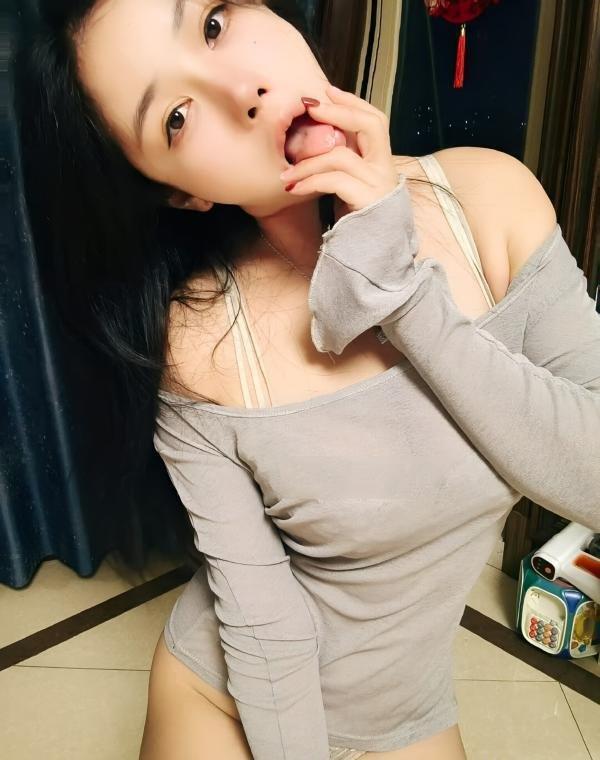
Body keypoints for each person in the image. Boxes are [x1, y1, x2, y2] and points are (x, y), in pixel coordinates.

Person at [14, 1, 600, 759]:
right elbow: (264, 622)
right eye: (176, 118)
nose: (242, 92)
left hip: (410, 705)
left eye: (214, 23)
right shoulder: (198, 345)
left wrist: (403, 295)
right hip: (227, 697)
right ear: (179, 192)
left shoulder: (490, 202)